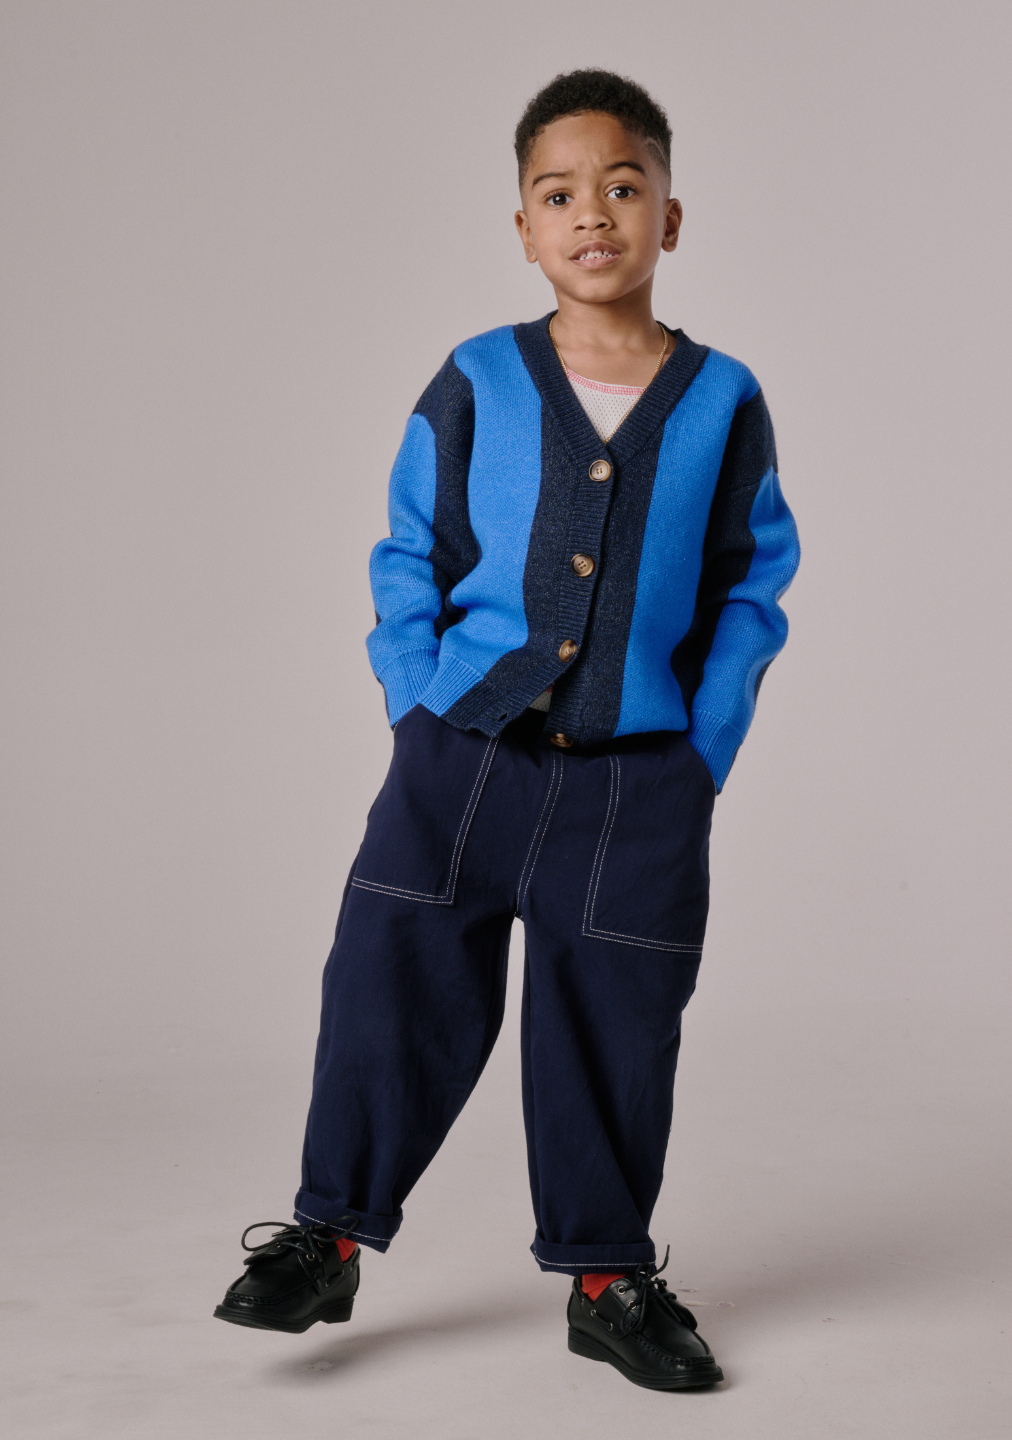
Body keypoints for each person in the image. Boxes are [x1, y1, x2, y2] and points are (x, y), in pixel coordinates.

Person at [214, 68, 799, 1392]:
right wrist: (416, 694)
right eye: (559, 193)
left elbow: (749, 585)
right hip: (459, 764)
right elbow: (408, 548)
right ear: (525, 227)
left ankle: (606, 1278)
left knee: (616, 1019)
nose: (593, 212)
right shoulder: (478, 378)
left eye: (622, 186)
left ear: (670, 216)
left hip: (637, 783)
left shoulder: (722, 400)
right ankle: (326, 1240)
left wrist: (699, 751)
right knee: (390, 988)